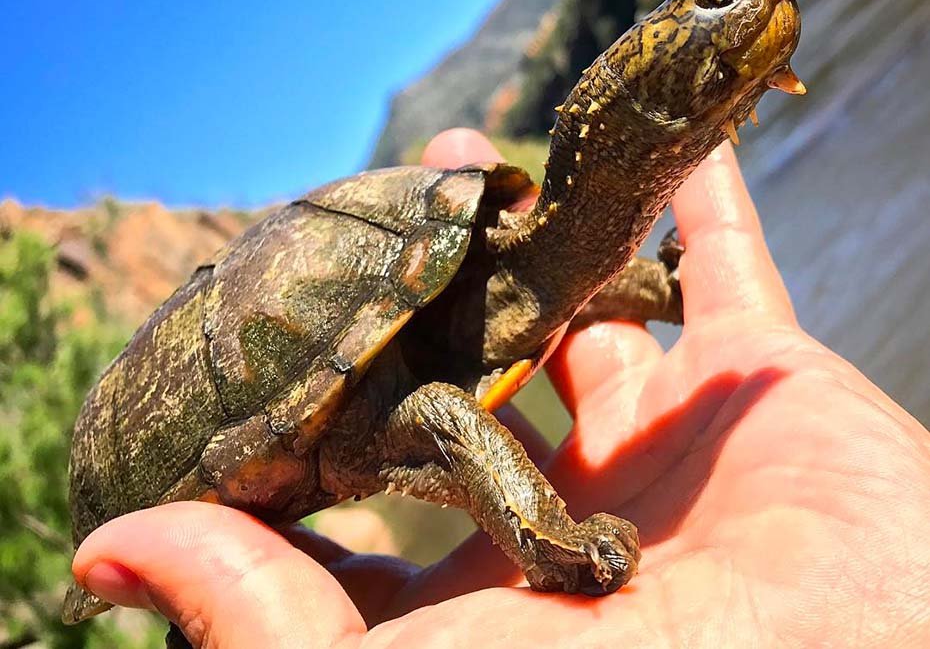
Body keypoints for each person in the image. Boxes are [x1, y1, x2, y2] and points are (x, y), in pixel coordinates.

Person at [71, 129, 930, 647]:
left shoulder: (524, 260)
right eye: (714, 0)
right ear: (618, 125)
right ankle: (549, 549)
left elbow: (547, 277)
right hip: (205, 437)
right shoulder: (441, 326)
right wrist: (557, 539)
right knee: (445, 409)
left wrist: (663, 290)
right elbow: (443, 407)